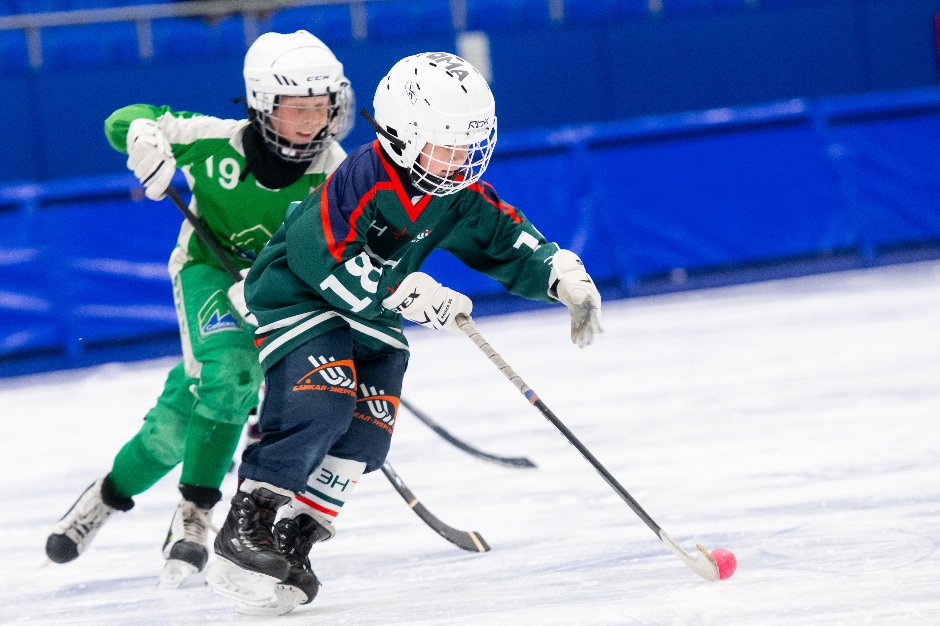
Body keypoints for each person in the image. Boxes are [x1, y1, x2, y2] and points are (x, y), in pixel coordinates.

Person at [207, 51, 603, 612]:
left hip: (371, 310)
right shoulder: (363, 176)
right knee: (322, 401)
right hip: (299, 295)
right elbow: (320, 254)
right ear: (402, 134)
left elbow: (501, 233)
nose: (464, 160)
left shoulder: (451, 189)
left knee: (370, 430)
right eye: (449, 145)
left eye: (471, 145)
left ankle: (298, 535)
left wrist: (560, 277)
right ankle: (249, 520)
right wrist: (403, 292)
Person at [44, 30, 353, 597]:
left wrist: (277, 286)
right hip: (206, 273)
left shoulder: (338, 176)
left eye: (321, 108)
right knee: (233, 376)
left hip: (274, 294)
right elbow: (128, 118)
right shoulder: (213, 141)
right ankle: (196, 509)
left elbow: (338, 262)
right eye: (297, 109)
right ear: (262, 106)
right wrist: (142, 136)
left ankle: (104, 495)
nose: (312, 123)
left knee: (185, 413)